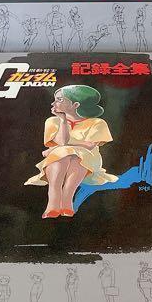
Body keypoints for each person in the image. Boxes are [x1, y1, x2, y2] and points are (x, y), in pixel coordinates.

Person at [25, 85, 116, 218]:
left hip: (87, 160)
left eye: (59, 100)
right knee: (64, 154)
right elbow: (62, 142)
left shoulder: (97, 123)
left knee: (72, 155)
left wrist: (56, 148)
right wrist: (62, 121)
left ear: (75, 105)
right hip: (59, 159)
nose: (53, 103)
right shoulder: (52, 121)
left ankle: (66, 198)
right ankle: (55, 201)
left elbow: (89, 145)